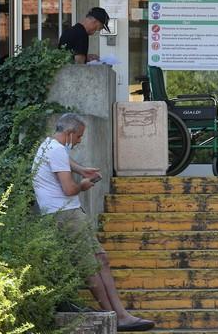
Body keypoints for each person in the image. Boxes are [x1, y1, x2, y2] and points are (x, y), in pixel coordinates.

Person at [32, 113, 155, 332]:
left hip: (68, 212)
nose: (79, 140)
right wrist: (84, 184)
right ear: (69, 133)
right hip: (65, 215)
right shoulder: (57, 149)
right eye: (79, 136)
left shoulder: (48, 145)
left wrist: (80, 170)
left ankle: (121, 314)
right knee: (91, 267)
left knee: (101, 259)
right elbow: (69, 189)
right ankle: (115, 317)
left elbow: (63, 161)